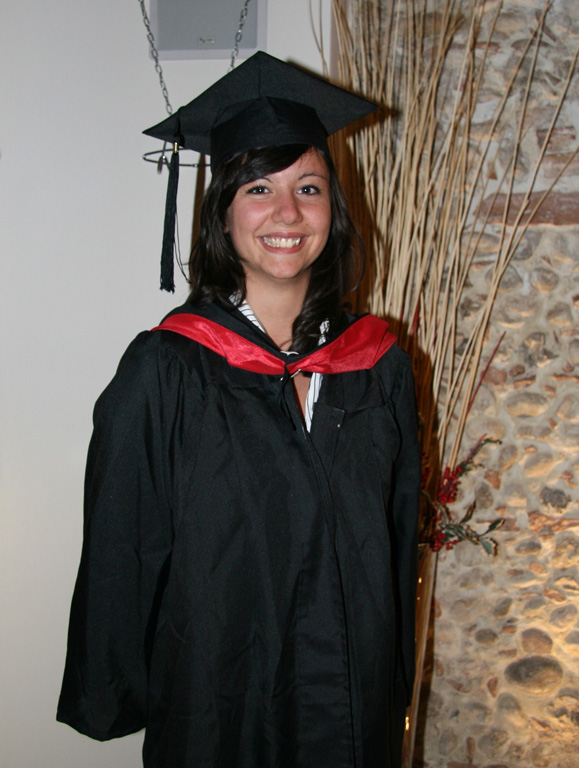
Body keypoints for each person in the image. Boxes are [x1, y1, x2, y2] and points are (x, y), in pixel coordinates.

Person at [57, 52, 420, 768]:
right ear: (222, 213)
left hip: (348, 708)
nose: (288, 213)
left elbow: (395, 538)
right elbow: (122, 545)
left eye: (309, 188)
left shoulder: (377, 366)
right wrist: (115, 688)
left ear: (334, 212)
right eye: (259, 188)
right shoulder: (168, 370)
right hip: (219, 707)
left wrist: (390, 677)